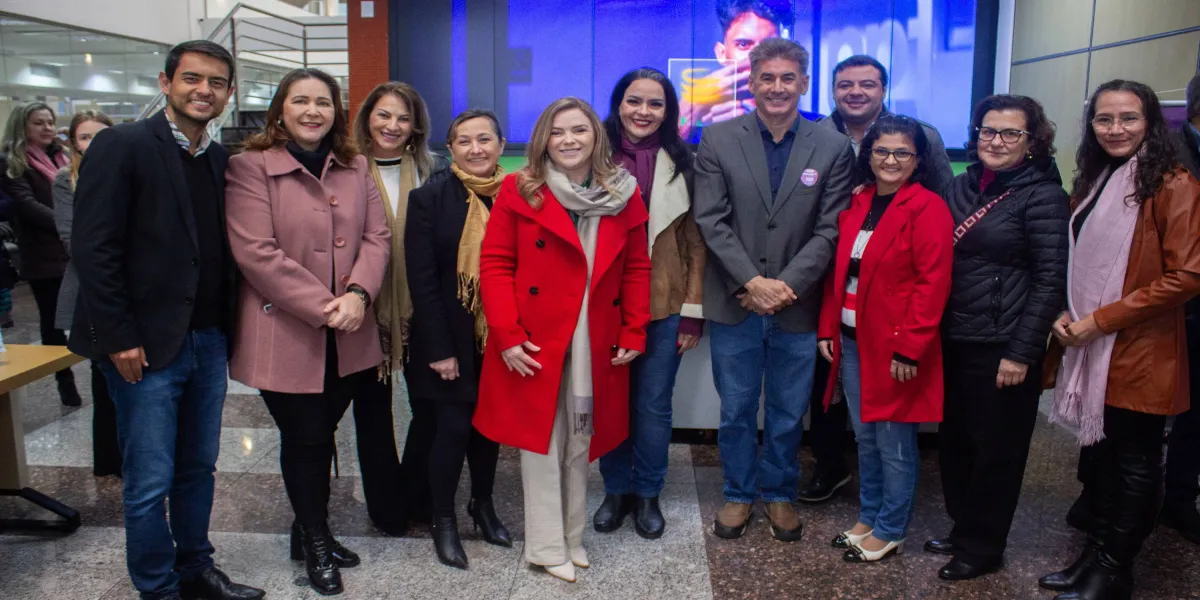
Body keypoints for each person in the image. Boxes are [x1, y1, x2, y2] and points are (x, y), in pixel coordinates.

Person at [69, 40, 264, 600]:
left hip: (207, 339)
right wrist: (119, 336)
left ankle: (195, 569)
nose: (204, 91)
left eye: (217, 83)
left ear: (229, 93)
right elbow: (94, 248)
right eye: (192, 78)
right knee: (150, 479)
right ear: (166, 82)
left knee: (198, 467)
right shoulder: (123, 145)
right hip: (144, 345)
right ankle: (157, 588)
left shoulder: (221, 161)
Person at [225, 67, 390, 596]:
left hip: (350, 330)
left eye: (324, 101)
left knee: (324, 431)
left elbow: (377, 237)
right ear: (280, 109)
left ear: (337, 111)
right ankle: (315, 538)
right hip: (287, 331)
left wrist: (359, 295)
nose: (313, 111)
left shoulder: (356, 166)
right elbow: (256, 253)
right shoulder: (249, 167)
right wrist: (327, 307)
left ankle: (306, 529)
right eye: (301, 101)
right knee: (307, 438)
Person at [473, 97, 651, 583]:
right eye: (557, 132)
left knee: (580, 437)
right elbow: (495, 264)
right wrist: (507, 334)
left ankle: (572, 538)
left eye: (578, 130)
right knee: (541, 442)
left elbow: (637, 266)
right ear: (543, 141)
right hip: (535, 338)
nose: (568, 140)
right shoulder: (520, 188)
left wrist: (634, 328)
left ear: (596, 136)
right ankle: (546, 546)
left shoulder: (623, 193)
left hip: (595, 337)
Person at [1039, 80, 1200, 600]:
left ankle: (1114, 570)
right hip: (1091, 342)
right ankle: (1094, 557)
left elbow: (1189, 275)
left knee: (1134, 463)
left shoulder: (1173, 183)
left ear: (1150, 122)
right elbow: (1077, 261)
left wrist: (1101, 320)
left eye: (1128, 118)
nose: (1115, 129)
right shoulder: (1098, 178)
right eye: (1104, 119)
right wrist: (1066, 312)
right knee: (1104, 462)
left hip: (1142, 348)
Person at [693, 38, 853, 542]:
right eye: (767, 77)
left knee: (787, 412)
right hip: (736, 302)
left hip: (796, 306)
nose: (777, 87)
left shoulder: (832, 146)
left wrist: (784, 287)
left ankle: (780, 493)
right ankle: (738, 494)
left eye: (788, 78)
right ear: (751, 82)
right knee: (736, 409)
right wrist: (752, 282)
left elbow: (831, 229)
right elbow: (711, 219)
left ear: (803, 83)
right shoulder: (718, 138)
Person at [801, 55, 954, 505]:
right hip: (836, 296)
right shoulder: (815, 137)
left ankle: (890, 515)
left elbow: (935, 252)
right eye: (845, 84)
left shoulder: (922, 141)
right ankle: (835, 474)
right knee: (837, 402)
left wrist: (912, 341)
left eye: (867, 84)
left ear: (883, 89)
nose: (855, 92)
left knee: (890, 430)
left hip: (894, 311)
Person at [929, 94, 1068, 581]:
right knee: (956, 442)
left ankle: (983, 546)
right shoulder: (961, 185)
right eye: (988, 131)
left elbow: (1051, 281)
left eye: (1011, 133)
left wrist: (1022, 352)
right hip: (954, 337)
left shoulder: (1044, 197)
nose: (997, 141)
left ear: (1033, 141)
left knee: (997, 452)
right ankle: (963, 527)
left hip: (1003, 345)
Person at [817, 114, 954, 562]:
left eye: (901, 153)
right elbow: (839, 275)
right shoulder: (858, 202)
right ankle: (868, 517)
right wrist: (828, 329)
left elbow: (933, 283)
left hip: (896, 348)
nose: (890, 160)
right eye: (881, 151)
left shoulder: (928, 207)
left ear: (918, 160)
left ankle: (892, 528)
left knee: (894, 444)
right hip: (853, 341)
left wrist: (910, 348)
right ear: (868, 155)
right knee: (866, 437)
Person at [593, 67, 706, 540]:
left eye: (655, 103)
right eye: (634, 101)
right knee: (611, 402)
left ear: (668, 111)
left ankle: (647, 494)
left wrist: (693, 313)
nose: (643, 111)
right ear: (618, 104)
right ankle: (615, 490)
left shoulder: (686, 162)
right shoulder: (591, 155)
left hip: (664, 304)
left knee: (653, 406)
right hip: (604, 304)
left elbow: (696, 243)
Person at [404, 108, 511, 569]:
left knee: (489, 430)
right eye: (464, 141)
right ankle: (443, 518)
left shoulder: (516, 197)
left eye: (484, 139)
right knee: (451, 430)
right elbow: (422, 281)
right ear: (450, 150)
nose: (475, 149)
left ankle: (482, 505)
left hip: (499, 339)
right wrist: (441, 349)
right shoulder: (428, 199)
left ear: (501, 145)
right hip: (448, 340)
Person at [351, 81, 451, 536]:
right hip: (363, 310)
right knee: (372, 413)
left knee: (428, 407)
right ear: (367, 118)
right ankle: (386, 506)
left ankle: (417, 493)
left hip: (420, 310)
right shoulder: (346, 169)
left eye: (403, 118)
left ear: (416, 126)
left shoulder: (435, 171)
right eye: (384, 115)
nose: (392, 125)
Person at [51, 110, 121, 477]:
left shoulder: (128, 173)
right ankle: (109, 460)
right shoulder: (67, 180)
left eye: (101, 135)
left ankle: (123, 455)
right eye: (85, 137)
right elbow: (72, 239)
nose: (93, 144)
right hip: (88, 290)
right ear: (74, 143)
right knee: (103, 372)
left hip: (128, 289)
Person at [0, 102, 81, 406]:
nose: (47, 128)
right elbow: (27, 205)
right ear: (22, 126)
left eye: (49, 122)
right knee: (54, 321)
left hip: (74, 249)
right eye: (38, 123)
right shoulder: (12, 162)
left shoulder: (63, 156)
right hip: (44, 255)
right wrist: (70, 223)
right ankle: (65, 381)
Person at [680, 0, 813, 143]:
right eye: (743, 44)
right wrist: (689, 110)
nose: (758, 57)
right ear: (721, 53)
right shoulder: (699, 125)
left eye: (770, 45)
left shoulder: (815, 127)